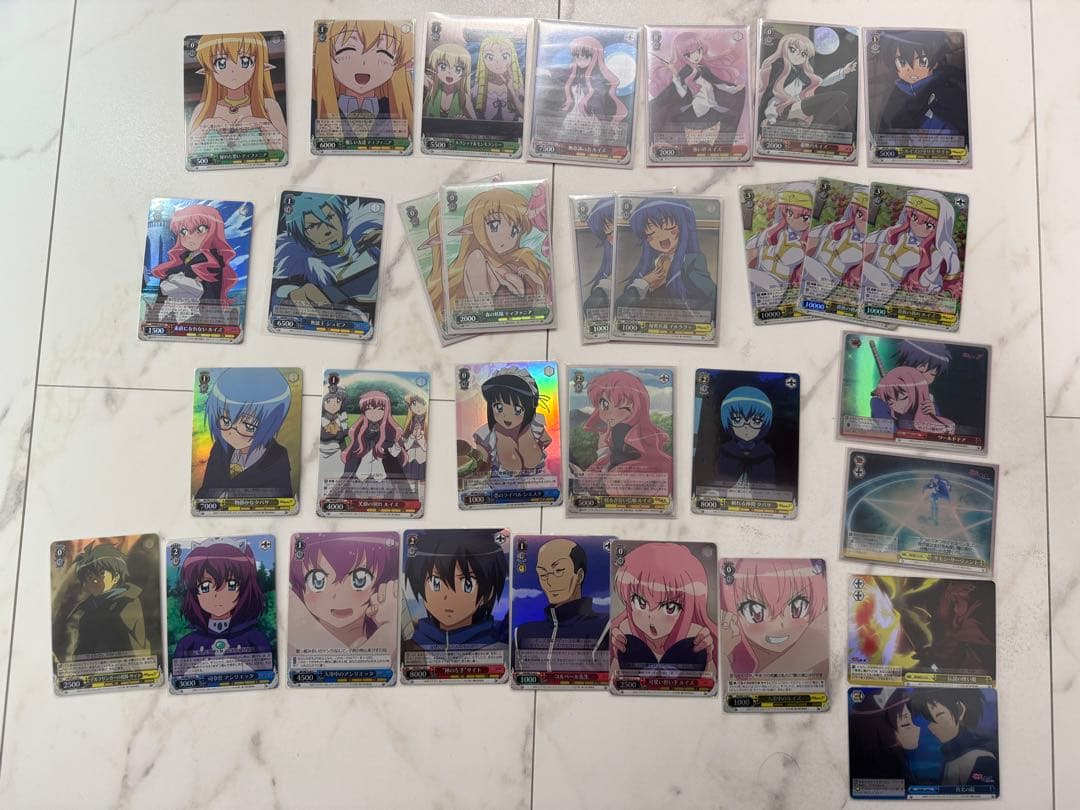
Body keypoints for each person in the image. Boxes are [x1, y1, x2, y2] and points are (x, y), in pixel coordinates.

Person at [610, 543, 717, 678]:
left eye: (669, 608)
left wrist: (708, 659)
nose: (651, 617)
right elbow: (615, 681)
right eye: (640, 603)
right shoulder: (626, 632)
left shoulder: (694, 637)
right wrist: (617, 656)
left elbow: (710, 683)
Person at [288, 534, 398, 652]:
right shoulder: (293, 638)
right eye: (317, 581)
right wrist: (388, 626)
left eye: (360, 579)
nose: (338, 597)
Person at [196, 368, 293, 500]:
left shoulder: (277, 457)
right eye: (226, 420)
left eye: (249, 426)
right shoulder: (220, 449)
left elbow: (283, 498)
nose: (232, 432)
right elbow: (206, 490)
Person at [403, 531, 508, 651]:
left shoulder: (500, 650)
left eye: (467, 585)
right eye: (435, 583)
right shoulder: (409, 648)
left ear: (488, 594)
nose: (448, 597)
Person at [514, 538, 609, 670]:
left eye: (558, 571)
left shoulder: (605, 626)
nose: (549, 582)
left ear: (579, 576)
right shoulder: (522, 633)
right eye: (543, 574)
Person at [173, 541, 271, 659]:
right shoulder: (188, 644)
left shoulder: (255, 639)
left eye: (231, 585)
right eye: (205, 587)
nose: (217, 595)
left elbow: (268, 669)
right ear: (194, 593)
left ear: (244, 589)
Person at [67, 544, 147, 657]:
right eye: (90, 577)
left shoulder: (127, 604)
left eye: (101, 574)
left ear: (116, 577)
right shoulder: (85, 612)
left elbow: (135, 650)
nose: (95, 580)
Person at [911, 689, 998, 788]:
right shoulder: (951, 755)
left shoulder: (980, 757)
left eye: (939, 715)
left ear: (960, 710)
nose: (931, 727)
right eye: (928, 720)